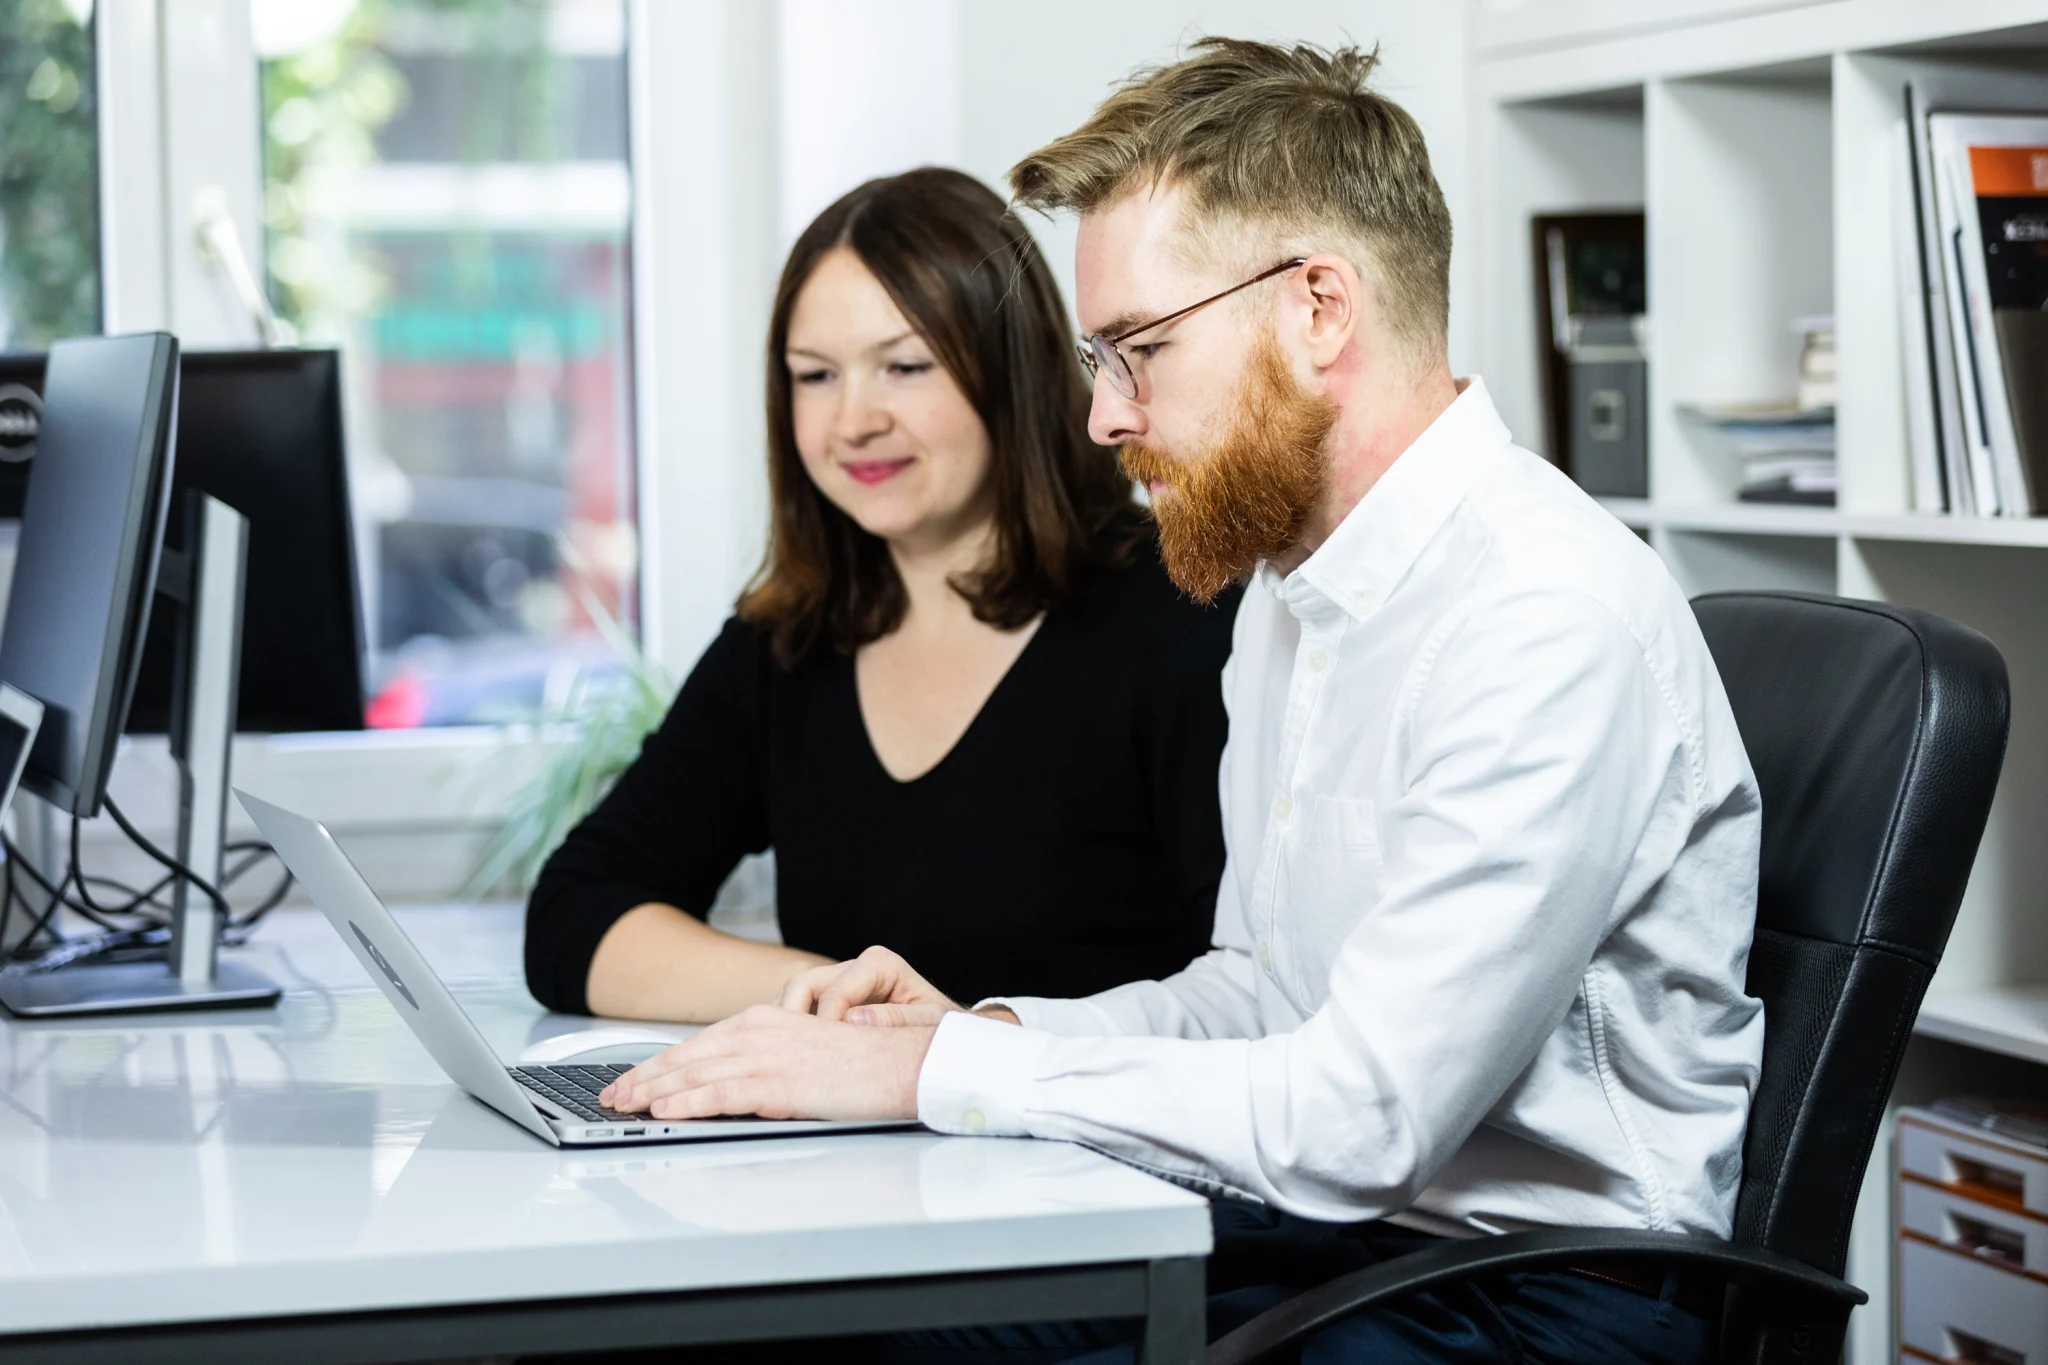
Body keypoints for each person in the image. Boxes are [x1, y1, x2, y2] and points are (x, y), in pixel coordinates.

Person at [600, 39, 1764, 1364]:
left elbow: (1364, 1118)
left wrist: (933, 1075)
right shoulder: (1290, 591)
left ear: (1319, 308)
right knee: (815, 1319)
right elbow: (1252, 993)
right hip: (1345, 1239)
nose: (1103, 417)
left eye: (1139, 350)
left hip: (1542, 1297)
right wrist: (969, 1033)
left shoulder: (1542, 618)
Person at [524, 167, 1237, 1023]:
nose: (853, 419)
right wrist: (850, 1003)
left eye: (902, 366)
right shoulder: (789, 639)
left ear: (1013, 373)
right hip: (854, 1156)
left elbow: (1244, 993)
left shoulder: (1180, 614)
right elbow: (575, 914)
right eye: (814, 376)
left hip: (1089, 1150)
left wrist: (944, 1044)